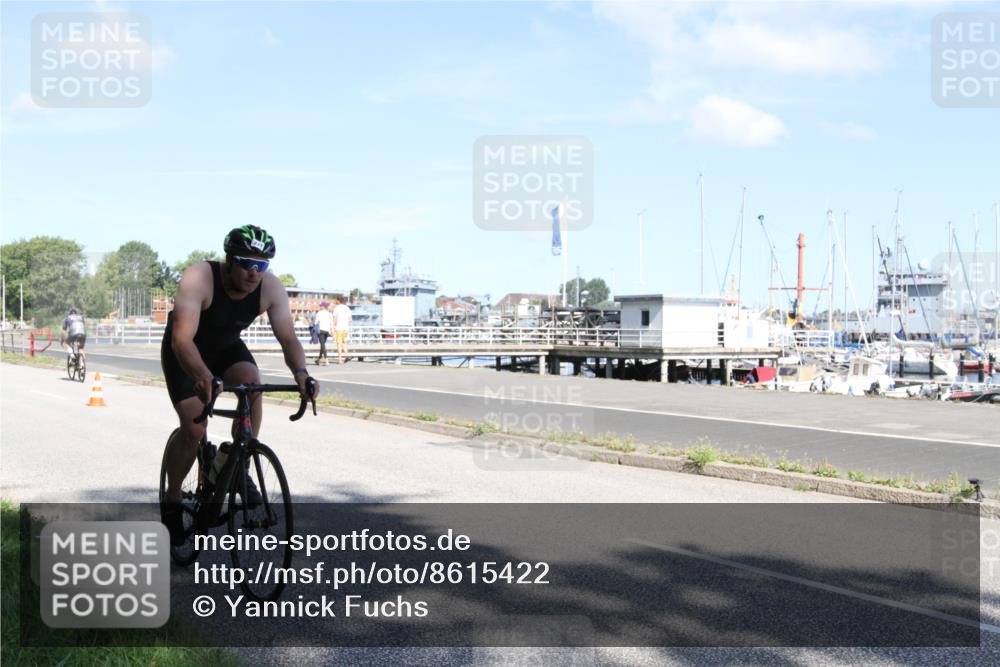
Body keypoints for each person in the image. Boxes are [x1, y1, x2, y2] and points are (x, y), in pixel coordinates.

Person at [160, 225, 319, 545]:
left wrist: (301, 373)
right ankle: (173, 498)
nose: (253, 272)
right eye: (246, 263)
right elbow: (181, 340)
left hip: (226, 348)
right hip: (186, 351)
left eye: (261, 265)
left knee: (252, 385)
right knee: (194, 427)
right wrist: (202, 375)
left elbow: (288, 338)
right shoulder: (199, 277)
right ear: (229, 260)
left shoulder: (271, 287)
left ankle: (233, 462)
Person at [332, 297, 352, 364]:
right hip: (345, 329)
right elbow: (350, 320)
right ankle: (346, 355)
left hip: (339, 328)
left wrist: (333, 328)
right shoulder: (347, 308)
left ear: (339, 301)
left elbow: (334, 320)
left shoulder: (337, 308)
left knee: (339, 344)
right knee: (344, 343)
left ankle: (340, 359)